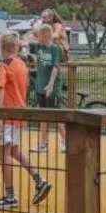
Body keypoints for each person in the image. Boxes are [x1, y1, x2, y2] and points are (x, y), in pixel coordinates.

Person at [0, 33, 51, 209]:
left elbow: (0, 89)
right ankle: (39, 180)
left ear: (1, 47)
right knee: (14, 151)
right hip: (19, 113)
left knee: (3, 154)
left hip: (8, 115)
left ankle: (10, 196)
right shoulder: (21, 64)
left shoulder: (4, 65)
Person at [30, 24, 68, 153]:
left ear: (45, 35)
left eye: (39, 35)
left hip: (52, 87)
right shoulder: (38, 46)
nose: (37, 38)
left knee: (55, 115)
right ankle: (43, 143)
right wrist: (35, 30)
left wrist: (51, 85)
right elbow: (27, 40)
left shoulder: (55, 48)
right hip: (40, 86)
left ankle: (65, 141)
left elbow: (55, 67)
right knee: (43, 115)